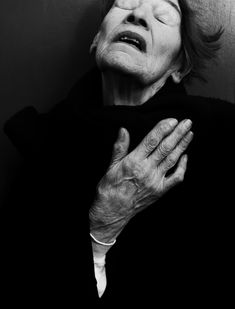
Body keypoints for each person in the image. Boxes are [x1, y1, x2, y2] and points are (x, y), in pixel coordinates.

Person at [1, 0, 235, 307]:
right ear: (97, 39)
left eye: (163, 15)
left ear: (180, 67)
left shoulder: (222, 136)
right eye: (125, 3)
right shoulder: (42, 143)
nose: (137, 14)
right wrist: (101, 227)